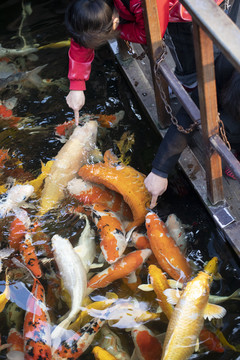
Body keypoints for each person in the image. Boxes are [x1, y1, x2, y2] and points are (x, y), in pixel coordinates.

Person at [64, 0, 223, 125]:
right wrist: (76, 86)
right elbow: (85, 27)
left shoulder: (143, 4)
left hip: (188, 6)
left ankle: (194, 86)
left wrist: (117, 32)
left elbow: (147, 34)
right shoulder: (94, 7)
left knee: (196, 46)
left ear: (114, 21)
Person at [144, 52, 240, 208]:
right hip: (228, 112)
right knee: (228, 126)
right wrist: (160, 170)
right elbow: (191, 110)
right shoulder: (227, 63)